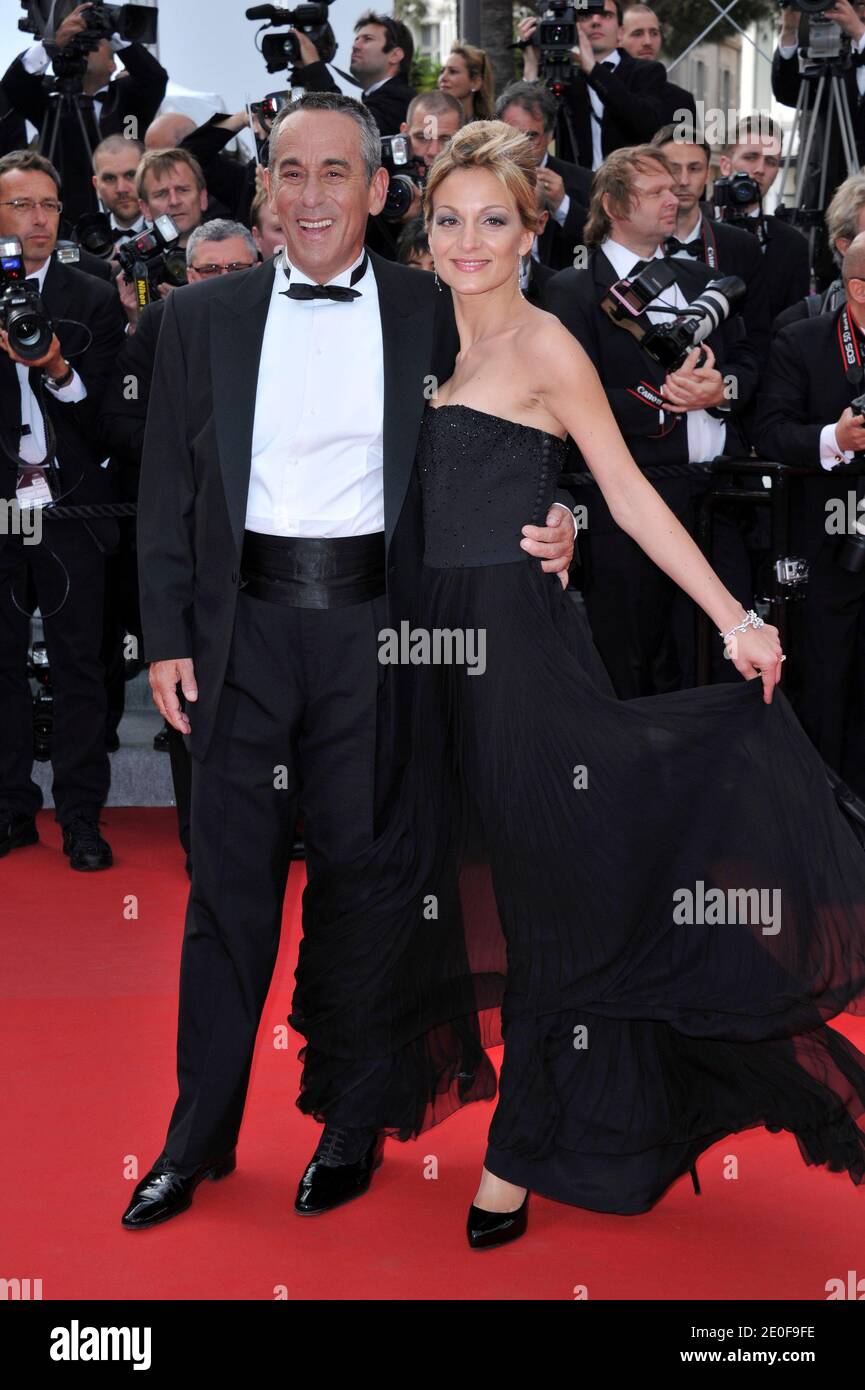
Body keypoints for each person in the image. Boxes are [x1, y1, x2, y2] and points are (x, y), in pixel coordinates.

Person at [286, 119, 865, 1250]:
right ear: (424, 227)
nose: (467, 241)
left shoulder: (550, 343)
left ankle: (519, 1152)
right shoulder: (400, 325)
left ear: (529, 228)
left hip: (515, 655)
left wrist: (733, 615)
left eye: (492, 220)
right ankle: (360, 1111)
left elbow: (628, 491)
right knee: (378, 877)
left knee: (553, 895)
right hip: (403, 654)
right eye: (447, 219)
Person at [121, 91, 575, 1231]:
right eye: (290, 172)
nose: (312, 194)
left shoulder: (436, 309)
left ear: (380, 191)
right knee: (224, 895)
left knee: (369, 893)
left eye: (337, 173)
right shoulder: (199, 320)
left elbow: (522, 414)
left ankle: (348, 1120)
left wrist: (564, 514)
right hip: (240, 641)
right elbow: (166, 498)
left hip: (381, 639)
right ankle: (195, 1137)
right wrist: (167, 636)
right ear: (265, 189)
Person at [544, 144, 759, 697]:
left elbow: (748, 362)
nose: (677, 196)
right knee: (634, 658)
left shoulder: (697, 278)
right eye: (657, 190)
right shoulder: (572, 289)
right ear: (614, 204)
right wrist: (660, 399)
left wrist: (720, 388)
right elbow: (568, 395)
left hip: (718, 495)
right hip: (628, 500)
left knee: (725, 651)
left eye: (677, 186)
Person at [0, 151, 125, 868]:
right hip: (1, 509)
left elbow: (105, 415)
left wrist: (55, 369)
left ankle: (82, 816)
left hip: (72, 507)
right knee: (1, 664)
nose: (39, 219)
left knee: (83, 666)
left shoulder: (94, 294)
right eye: (21, 206)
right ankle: (12, 809)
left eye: (48, 204)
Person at [755, 232, 865, 798]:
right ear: (857, 289)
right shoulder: (801, 341)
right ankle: (827, 812)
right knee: (828, 680)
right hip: (828, 544)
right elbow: (768, 433)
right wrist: (836, 438)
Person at [1, 1, 167, 224]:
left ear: (112, 65)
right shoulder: (49, 99)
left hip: (122, 214)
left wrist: (114, 30)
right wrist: (51, 45)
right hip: (66, 218)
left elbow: (154, 79)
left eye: (95, 43)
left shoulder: (128, 101)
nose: (82, 44)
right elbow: (13, 86)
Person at [519, 1, 666, 171]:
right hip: (574, 190)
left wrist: (593, 70)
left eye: (606, 15)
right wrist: (530, 67)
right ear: (574, 26)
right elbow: (530, 132)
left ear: (620, 32)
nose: (596, 21)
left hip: (630, 185)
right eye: (586, 15)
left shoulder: (647, 71)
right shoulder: (564, 75)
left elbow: (646, 124)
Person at [714, 114, 811, 322]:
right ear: (725, 165)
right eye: (750, 157)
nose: (760, 170)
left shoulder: (793, 246)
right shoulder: (693, 225)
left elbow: (792, 328)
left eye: (770, 161)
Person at [495, 80, 591, 272]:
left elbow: (602, 242)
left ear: (549, 136)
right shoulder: (481, 178)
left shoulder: (584, 181)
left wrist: (562, 204)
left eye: (531, 136)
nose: (520, 145)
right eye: (512, 134)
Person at [290, 11, 417, 136]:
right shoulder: (379, 97)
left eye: (367, 39)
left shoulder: (400, 99)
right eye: (357, 39)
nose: (355, 45)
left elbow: (349, 127)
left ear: (395, 55)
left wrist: (313, 67)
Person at [619, 3, 697, 128]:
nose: (648, 42)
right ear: (619, 38)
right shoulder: (606, 87)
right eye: (638, 34)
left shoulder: (682, 100)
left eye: (654, 33)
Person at [438, 43, 495, 123]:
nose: (443, 78)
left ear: (476, 83)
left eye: (453, 71)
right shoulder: (429, 123)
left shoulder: (489, 130)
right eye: (442, 71)